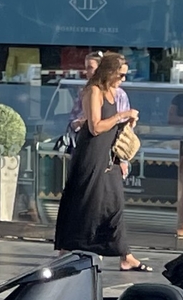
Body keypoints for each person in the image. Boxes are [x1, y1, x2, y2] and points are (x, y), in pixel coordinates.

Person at [54, 50, 146, 271]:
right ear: (110, 72)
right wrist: (120, 116)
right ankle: (68, 248)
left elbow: (113, 126)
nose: (123, 79)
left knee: (114, 201)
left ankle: (125, 254)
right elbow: (95, 127)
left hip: (108, 152)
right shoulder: (93, 91)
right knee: (85, 198)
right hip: (92, 151)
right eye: (120, 75)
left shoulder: (114, 93)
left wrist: (128, 124)